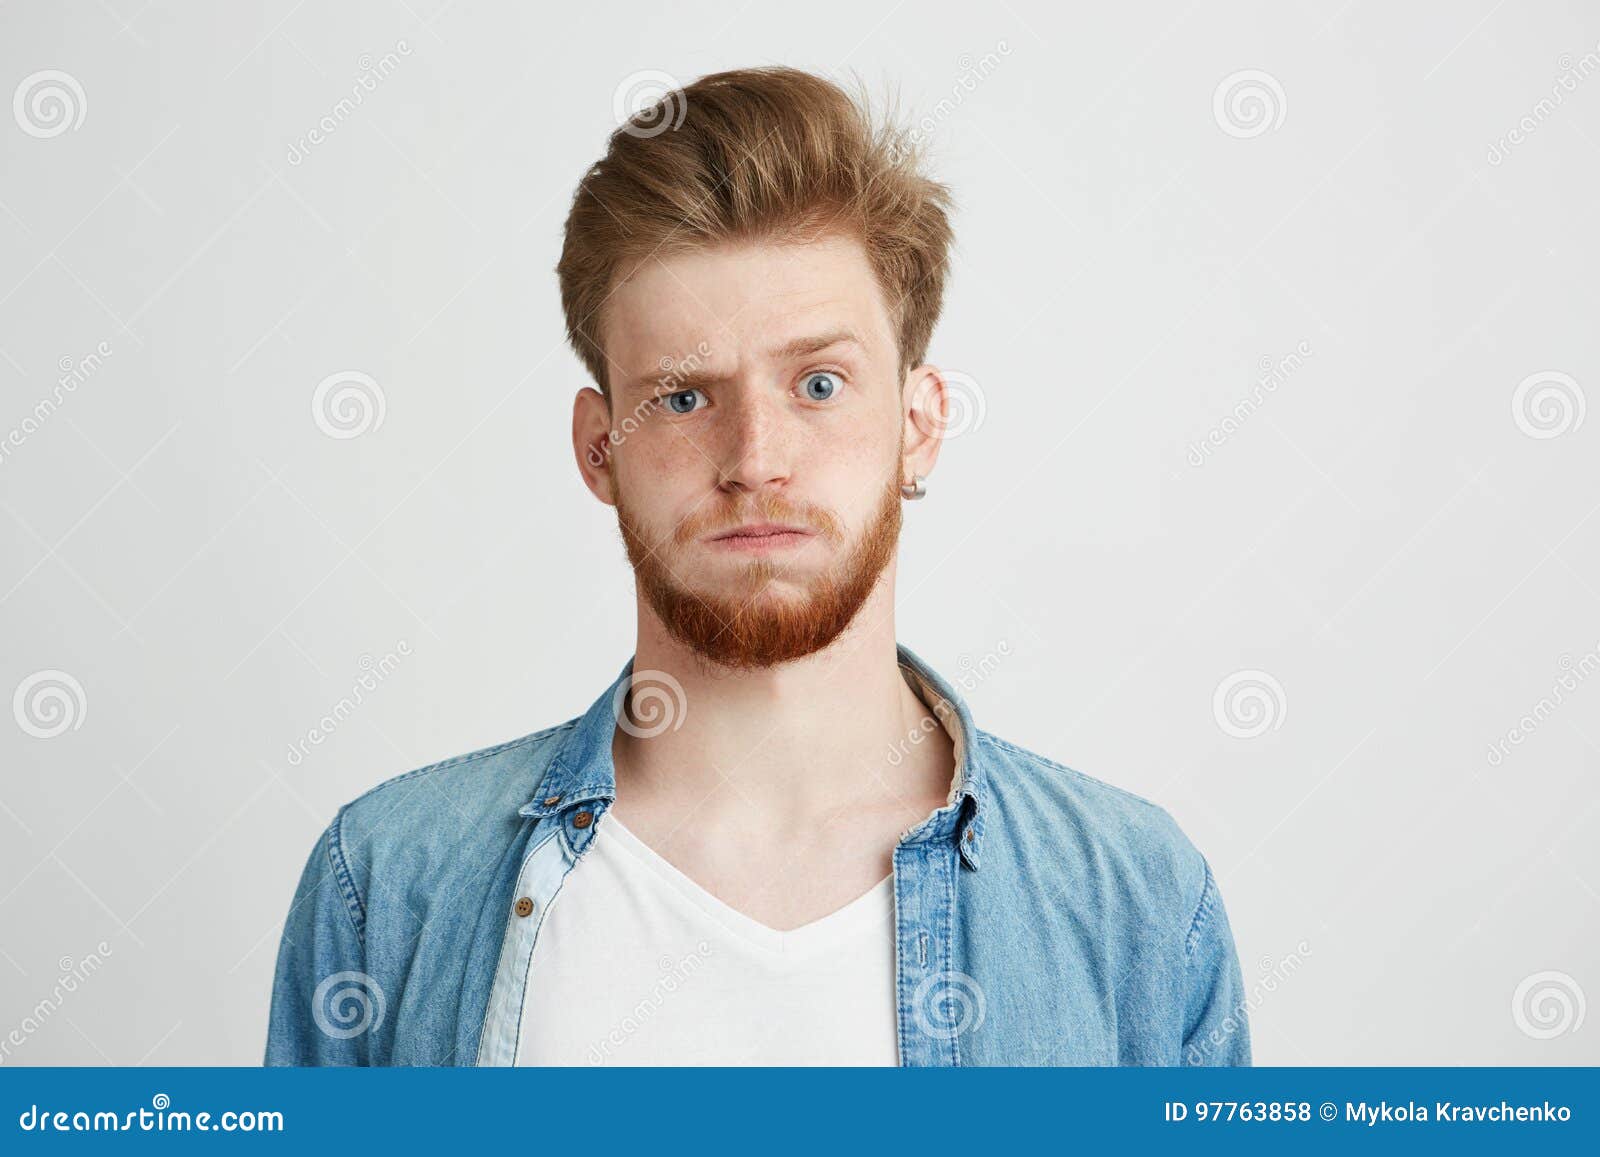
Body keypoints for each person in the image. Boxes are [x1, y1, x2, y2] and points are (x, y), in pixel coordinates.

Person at [264, 65, 1248, 1067]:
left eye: (819, 383)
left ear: (918, 424)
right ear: (599, 447)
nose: (753, 460)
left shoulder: (1134, 899)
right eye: (684, 397)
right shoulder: (391, 882)